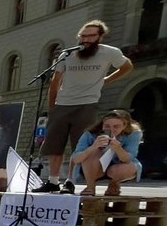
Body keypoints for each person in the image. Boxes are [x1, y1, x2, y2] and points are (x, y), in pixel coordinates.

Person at [37, 20, 134, 193]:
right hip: (63, 104)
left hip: (87, 104)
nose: (86, 39)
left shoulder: (110, 52)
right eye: (83, 36)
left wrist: (106, 80)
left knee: (79, 145)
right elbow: (55, 81)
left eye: (91, 36)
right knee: (55, 145)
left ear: (99, 36)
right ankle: (52, 180)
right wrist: (52, 107)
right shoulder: (67, 54)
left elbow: (127, 66)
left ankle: (70, 181)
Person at [70, 109, 142, 197]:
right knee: (92, 152)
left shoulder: (133, 134)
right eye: (107, 126)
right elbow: (76, 158)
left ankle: (114, 183)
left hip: (116, 167)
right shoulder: (90, 134)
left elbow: (128, 158)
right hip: (92, 168)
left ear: (124, 125)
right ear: (102, 125)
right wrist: (94, 146)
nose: (111, 129)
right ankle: (90, 186)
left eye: (116, 126)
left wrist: (118, 148)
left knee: (129, 168)